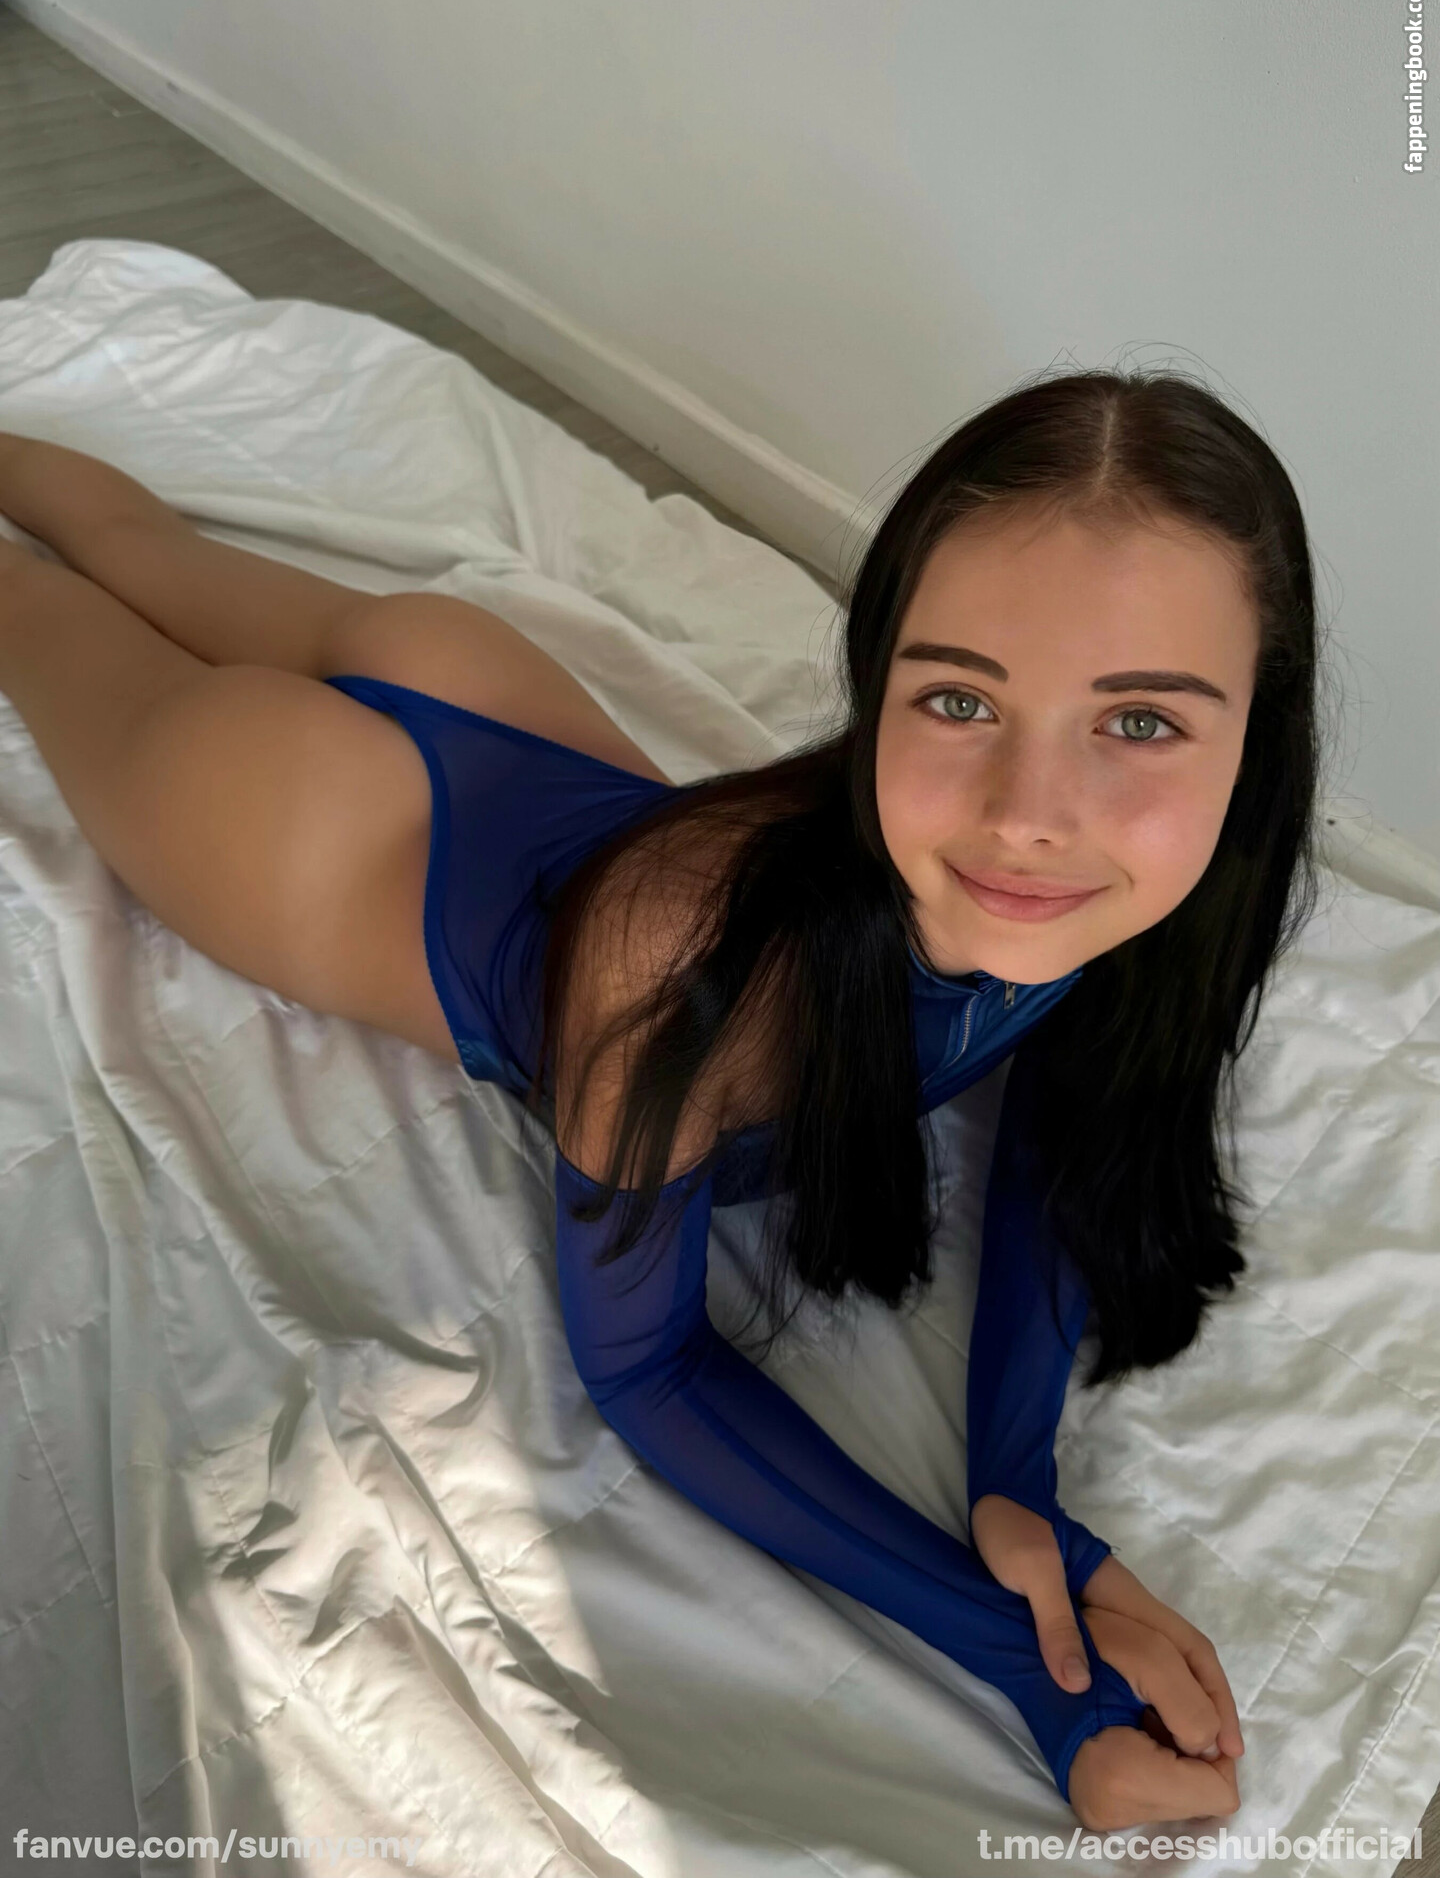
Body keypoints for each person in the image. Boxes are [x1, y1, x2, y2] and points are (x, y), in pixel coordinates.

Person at [0, 365, 1320, 1830]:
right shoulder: (682, 963)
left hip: (489, 690)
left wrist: (1021, 1491)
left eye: (1140, 725)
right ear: (877, 684)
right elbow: (647, 1371)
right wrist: (1029, 1666)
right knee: (54, 585)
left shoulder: (1154, 901)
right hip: (291, 816)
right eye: (958, 698)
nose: (1029, 815)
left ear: (1254, 737)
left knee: (135, 548)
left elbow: (1070, 1127)